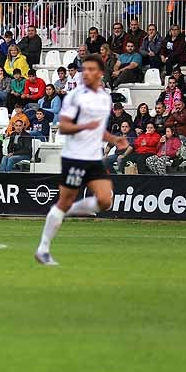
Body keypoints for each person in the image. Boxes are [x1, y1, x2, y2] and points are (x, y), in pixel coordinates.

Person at [35, 54, 128, 266]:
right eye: (84, 69)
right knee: (65, 200)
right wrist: (84, 126)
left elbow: (99, 130)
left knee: (106, 201)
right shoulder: (74, 97)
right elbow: (64, 127)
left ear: (100, 73)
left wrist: (114, 139)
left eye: (90, 69)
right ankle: (43, 249)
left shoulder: (105, 98)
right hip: (74, 157)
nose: (86, 73)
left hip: (94, 158)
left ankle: (62, 211)